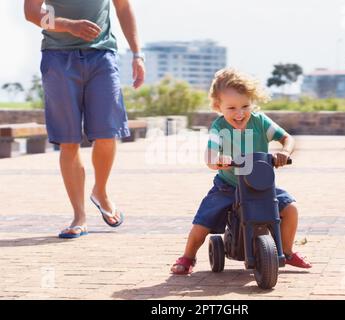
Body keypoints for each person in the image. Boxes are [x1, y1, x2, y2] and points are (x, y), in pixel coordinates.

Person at [171, 69, 312, 274]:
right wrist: (219, 161)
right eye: (232, 108)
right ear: (218, 106)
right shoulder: (219, 128)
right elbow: (209, 156)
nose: (240, 113)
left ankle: (287, 251)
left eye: (245, 106)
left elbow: (287, 138)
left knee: (290, 208)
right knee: (203, 221)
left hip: (260, 185)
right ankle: (188, 257)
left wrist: (283, 151)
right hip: (228, 186)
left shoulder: (260, 122)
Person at [24, 0, 145, 238]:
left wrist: (137, 54)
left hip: (102, 56)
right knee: (68, 141)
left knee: (108, 132)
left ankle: (100, 191)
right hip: (57, 58)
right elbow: (31, 12)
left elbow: (123, 7)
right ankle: (79, 216)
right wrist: (68, 25)